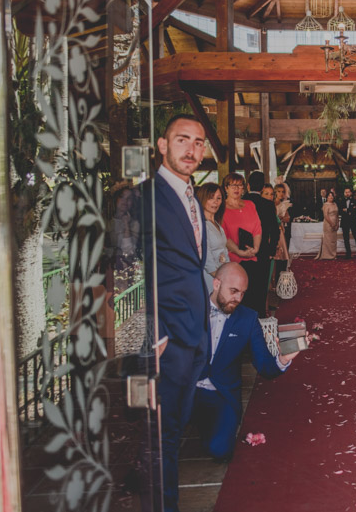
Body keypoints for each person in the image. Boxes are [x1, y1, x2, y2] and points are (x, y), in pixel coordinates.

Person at [143, 114, 210, 512]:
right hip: (166, 339)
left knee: (174, 432)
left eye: (198, 142)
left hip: (193, 333)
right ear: (162, 145)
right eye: (182, 140)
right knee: (162, 438)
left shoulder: (190, 195)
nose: (191, 149)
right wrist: (154, 336)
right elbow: (128, 272)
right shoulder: (145, 196)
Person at [193, 263, 301, 461]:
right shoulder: (191, 309)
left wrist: (282, 359)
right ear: (216, 284)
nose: (238, 299)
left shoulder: (248, 319)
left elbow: (264, 365)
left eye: (242, 293)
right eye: (233, 291)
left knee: (220, 450)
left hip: (221, 394)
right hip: (186, 390)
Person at [221, 173, 261, 312]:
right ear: (226, 188)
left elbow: (257, 228)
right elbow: (223, 235)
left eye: (240, 185)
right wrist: (239, 252)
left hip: (252, 256)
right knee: (237, 299)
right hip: (233, 259)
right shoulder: (221, 208)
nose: (237, 188)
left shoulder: (250, 205)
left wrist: (256, 248)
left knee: (253, 296)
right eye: (233, 185)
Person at [244, 171, 280, 315]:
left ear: (247, 185)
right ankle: (259, 316)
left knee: (245, 285)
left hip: (242, 250)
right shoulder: (268, 204)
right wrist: (272, 251)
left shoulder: (241, 202)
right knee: (260, 286)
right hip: (263, 251)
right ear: (261, 189)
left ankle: (244, 315)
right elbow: (275, 231)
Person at [196, 183, 229, 291]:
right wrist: (220, 276)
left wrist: (229, 273)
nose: (215, 202)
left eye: (218, 198)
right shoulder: (201, 225)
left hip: (221, 274)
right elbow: (206, 256)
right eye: (211, 198)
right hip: (209, 276)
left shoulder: (217, 224)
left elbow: (224, 251)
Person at [340, 186, 356, 259]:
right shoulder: (341, 201)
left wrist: (346, 210)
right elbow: (340, 210)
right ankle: (348, 253)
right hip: (345, 222)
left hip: (353, 221)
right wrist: (350, 210)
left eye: (348, 192)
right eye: (345, 192)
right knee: (346, 238)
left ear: (351, 193)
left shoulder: (355, 201)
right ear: (344, 193)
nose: (347, 193)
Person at [317, 191, 339, 260]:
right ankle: (327, 255)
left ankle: (333, 254)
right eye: (329, 196)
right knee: (328, 239)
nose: (331, 197)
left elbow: (337, 214)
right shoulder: (325, 205)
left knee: (333, 240)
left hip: (335, 223)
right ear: (327, 197)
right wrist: (331, 223)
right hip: (328, 224)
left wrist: (337, 223)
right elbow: (325, 215)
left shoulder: (335, 204)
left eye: (332, 195)